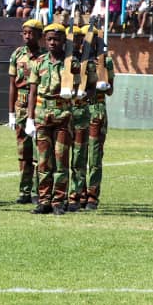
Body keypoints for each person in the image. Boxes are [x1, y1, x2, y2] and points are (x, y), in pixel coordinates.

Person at [26, 23, 77, 215]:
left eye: (56, 39)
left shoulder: (71, 63)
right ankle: (44, 200)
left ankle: (58, 201)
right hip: (42, 115)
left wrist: (73, 91)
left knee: (61, 160)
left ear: (64, 40)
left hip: (62, 116)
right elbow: (32, 92)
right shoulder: (39, 62)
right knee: (43, 161)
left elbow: (81, 88)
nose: (53, 43)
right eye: (49, 39)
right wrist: (29, 118)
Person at [8, 19, 44, 204]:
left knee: (39, 151)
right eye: (25, 33)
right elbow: (12, 84)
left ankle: (39, 191)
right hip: (21, 105)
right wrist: (11, 113)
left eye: (31, 33)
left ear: (39, 35)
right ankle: (24, 191)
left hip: (38, 104)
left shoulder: (45, 56)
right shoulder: (17, 54)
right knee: (23, 151)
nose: (27, 36)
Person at [85, 35, 115, 210]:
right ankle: (77, 194)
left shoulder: (106, 62)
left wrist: (106, 85)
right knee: (78, 156)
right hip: (79, 108)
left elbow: (111, 91)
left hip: (97, 109)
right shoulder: (77, 60)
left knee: (95, 156)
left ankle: (92, 195)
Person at [68, 26, 91, 211]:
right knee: (59, 158)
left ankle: (75, 196)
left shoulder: (87, 62)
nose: (76, 42)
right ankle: (59, 195)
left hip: (80, 112)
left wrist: (85, 94)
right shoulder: (62, 61)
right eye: (73, 38)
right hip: (61, 113)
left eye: (78, 39)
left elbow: (93, 86)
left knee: (78, 158)